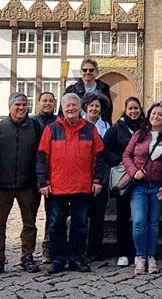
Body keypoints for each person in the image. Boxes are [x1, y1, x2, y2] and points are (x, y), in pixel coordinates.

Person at [36, 93, 104, 274]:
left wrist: (97, 181)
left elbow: (99, 156)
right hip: (56, 186)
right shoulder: (51, 129)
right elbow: (42, 156)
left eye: (74, 105)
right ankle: (58, 259)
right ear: (63, 109)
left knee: (80, 224)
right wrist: (43, 182)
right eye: (68, 106)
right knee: (55, 224)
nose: (71, 109)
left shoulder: (90, 129)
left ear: (80, 107)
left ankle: (76, 258)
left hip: (82, 186)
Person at [0, 92, 42, 277]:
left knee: (30, 224)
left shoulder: (35, 126)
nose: (21, 108)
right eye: (17, 104)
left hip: (28, 185)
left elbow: (41, 155)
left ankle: (27, 258)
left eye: (24, 104)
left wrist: (40, 180)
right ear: (10, 106)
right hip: (2, 185)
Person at [123, 102, 162, 275]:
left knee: (153, 224)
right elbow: (126, 155)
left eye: (160, 114)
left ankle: (151, 257)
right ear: (149, 116)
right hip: (139, 186)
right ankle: (140, 256)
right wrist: (133, 172)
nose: (156, 117)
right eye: (153, 113)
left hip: (158, 186)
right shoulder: (140, 134)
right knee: (139, 222)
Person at [103, 96, 145, 267]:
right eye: (130, 109)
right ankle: (123, 252)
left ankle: (139, 251)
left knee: (140, 217)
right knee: (123, 216)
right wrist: (117, 160)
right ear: (125, 110)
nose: (134, 112)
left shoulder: (146, 127)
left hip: (142, 178)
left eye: (136, 108)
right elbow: (105, 150)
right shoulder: (116, 128)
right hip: (124, 178)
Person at [82, 93, 110, 261]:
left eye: (97, 106)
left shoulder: (106, 126)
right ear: (86, 107)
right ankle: (80, 248)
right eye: (91, 105)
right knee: (81, 215)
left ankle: (95, 249)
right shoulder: (79, 125)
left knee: (98, 215)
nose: (94, 109)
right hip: (82, 175)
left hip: (101, 175)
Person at [34, 91, 57, 262]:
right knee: (30, 215)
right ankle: (26, 252)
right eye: (44, 100)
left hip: (54, 175)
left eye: (51, 101)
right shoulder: (31, 122)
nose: (47, 103)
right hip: (32, 175)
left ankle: (48, 249)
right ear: (38, 103)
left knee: (52, 214)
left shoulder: (59, 122)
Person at [65, 59, 113, 124]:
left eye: (91, 70)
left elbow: (108, 111)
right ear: (80, 72)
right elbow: (64, 110)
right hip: (77, 126)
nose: (88, 72)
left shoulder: (104, 89)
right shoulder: (71, 90)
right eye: (84, 70)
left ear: (96, 72)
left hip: (98, 126)